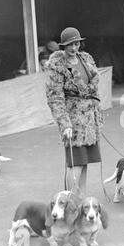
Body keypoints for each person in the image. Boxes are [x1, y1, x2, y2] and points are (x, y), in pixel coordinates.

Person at [46, 27, 103, 196]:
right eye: (69, 45)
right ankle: (70, 200)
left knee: (85, 162)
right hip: (73, 122)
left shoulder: (86, 59)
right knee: (75, 163)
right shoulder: (57, 66)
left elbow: (93, 88)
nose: (73, 48)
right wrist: (65, 124)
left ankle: (81, 199)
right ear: (63, 46)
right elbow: (54, 98)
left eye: (76, 44)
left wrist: (96, 111)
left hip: (90, 121)